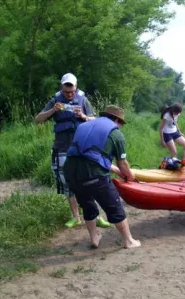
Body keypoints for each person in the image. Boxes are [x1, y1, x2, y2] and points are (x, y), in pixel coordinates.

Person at [35, 73, 110, 229]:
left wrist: (82, 115)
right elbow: (38, 120)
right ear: (62, 87)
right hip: (61, 147)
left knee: (89, 180)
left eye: (71, 91)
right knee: (67, 181)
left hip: (82, 146)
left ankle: (97, 216)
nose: (69, 94)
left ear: (76, 87)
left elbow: (94, 119)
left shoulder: (83, 100)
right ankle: (76, 217)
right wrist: (52, 111)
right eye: (66, 91)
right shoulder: (55, 100)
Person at [63, 105, 141, 249]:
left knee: (87, 205)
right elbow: (122, 162)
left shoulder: (84, 126)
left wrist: (118, 172)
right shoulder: (116, 134)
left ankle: (94, 238)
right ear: (117, 119)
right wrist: (130, 177)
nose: (120, 126)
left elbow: (90, 155)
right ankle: (129, 241)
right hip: (94, 176)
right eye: (121, 123)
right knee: (114, 206)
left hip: (70, 173)